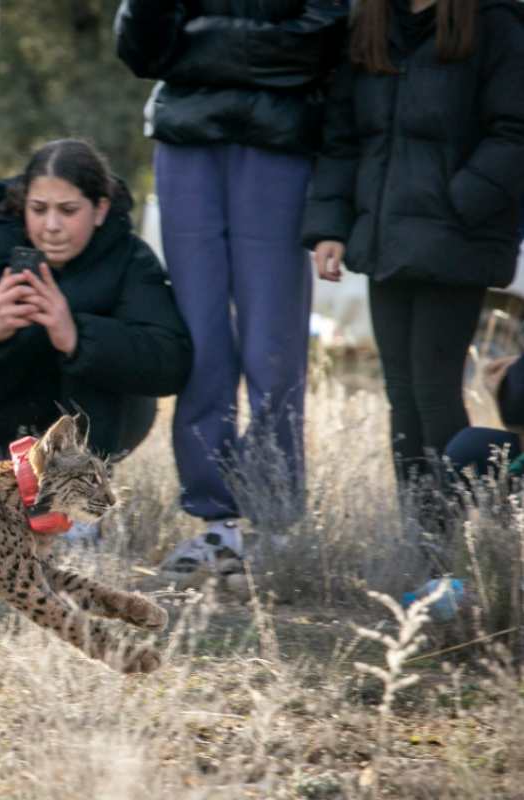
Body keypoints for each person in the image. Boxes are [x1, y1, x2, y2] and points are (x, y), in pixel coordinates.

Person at [115, 0, 348, 579]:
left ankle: (272, 529)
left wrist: (198, 46)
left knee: (273, 347)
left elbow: (321, 37)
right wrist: (246, 48)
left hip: (278, 146)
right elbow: (141, 49)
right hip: (185, 145)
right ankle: (217, 526)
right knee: (201, 343)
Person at [302, 0, 524, 525]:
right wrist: (331, 227)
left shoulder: (494, 23)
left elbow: (515, 130)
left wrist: (460, 200)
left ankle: (458, 544)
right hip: (387, 241)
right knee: (401, 395)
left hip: (455, 240)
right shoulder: (371, 25)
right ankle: (420, 539)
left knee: (433, 389)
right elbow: (343, 136)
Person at [0, 139, 192, 469]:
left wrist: (76, 337)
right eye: (39, 209)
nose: (51, 226)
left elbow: (171, 362)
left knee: (93, 361)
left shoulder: (130, 259)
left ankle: (80, 497)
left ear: (99, 210)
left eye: (68, 211)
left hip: (95, 437)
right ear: (23, 205)